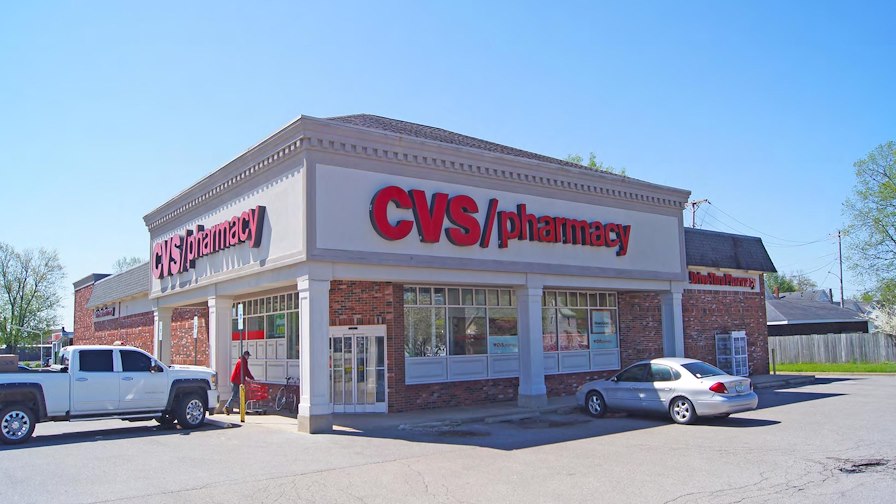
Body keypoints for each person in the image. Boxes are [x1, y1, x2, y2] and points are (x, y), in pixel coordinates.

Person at [224, 350, 254, 415]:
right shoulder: (242, 362)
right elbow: (242, 372)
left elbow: (246, 371)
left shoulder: (242, 361)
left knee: (240, 396)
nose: (248, 357)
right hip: (237, 381)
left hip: (237, 380)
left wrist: (251, 377)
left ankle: (241, 409)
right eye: (248, 356)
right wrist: (244, 380)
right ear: (246, 355)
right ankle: (227, 407)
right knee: (235, 395)